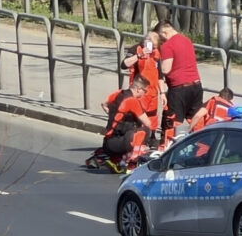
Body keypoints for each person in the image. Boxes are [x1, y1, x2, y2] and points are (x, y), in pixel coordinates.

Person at [86, 75, 153, 173]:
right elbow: (148, 123)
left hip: (108, 141)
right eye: (145, 91)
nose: (144, 94)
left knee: (130, 130)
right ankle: (132, 163)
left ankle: (112, 158)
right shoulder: (132, 101)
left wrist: (114, 115)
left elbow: (103, 104)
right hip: (118, 143)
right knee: (145, 131)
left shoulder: (118, 93)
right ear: (138, 89)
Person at [154, 20, 203, 148]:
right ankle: (199, 147)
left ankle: (168, 150)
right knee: (195, 120)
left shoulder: (168, 45)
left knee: (172, 122)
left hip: (179, 89)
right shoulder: (187, 40)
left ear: (164, 32)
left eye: (160, 37)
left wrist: (157, 67)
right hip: (196, 86)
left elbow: (166, 69)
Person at [121, 31, 164, 137]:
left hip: (153, 92)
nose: (153, 49)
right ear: (146, 41)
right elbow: (124, 64)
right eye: (152, 46)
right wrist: (139, 55)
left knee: (152, 116)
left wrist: (162, 92)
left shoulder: (156, 53)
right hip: (139, 90)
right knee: (138, 114)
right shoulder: (136, 49)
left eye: (154, 47)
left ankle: (152, 136)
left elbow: (160, 75)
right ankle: (135, 136)